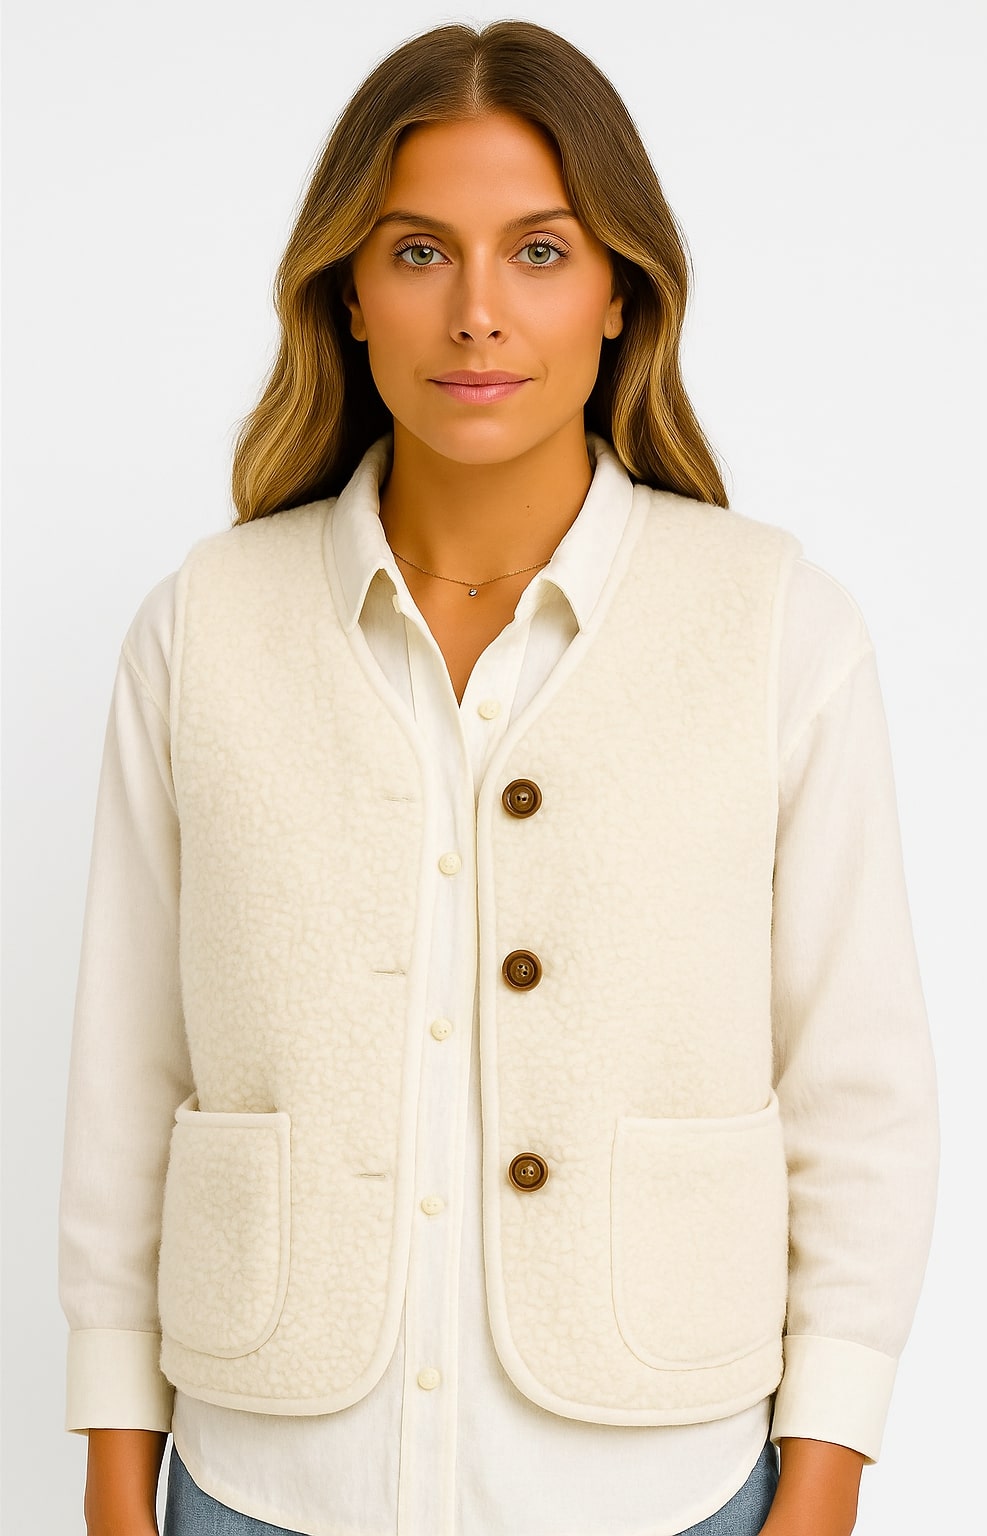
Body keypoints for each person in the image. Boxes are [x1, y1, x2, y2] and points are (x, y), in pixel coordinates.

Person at [57, 19, 940, 1536]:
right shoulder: (205, 625)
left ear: (619, 292)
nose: (477, 313)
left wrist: (825, 1478)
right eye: (418, 253)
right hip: (267, 1483)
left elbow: (857, 1087)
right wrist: (114, 1469)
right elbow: (129, 1068)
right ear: (347, 292)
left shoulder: (776, 625)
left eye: (539, 251)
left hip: (660, 1486)